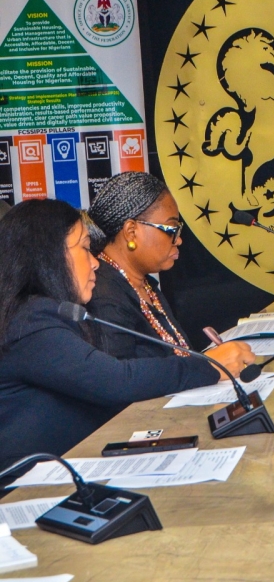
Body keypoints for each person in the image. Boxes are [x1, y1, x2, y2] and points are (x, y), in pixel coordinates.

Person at [0, 200, 255, 469]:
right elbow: (116, 381)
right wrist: (211, 367)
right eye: (86, 248)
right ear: (49, 257)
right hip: (26, 484)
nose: (95, 263)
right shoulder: (30, 320)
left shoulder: (50, 312)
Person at [85, 172, 199, 359]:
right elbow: (122, 379)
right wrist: (206, 367)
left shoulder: (145, 285)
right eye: (171, 229)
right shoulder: (103, 297)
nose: (178, 240)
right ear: (131, 232)